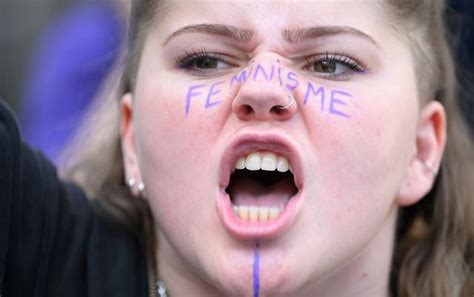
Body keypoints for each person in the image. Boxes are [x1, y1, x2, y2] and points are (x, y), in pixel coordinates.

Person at [1, 0, 473, 296]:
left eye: (330, 64)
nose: (263, 88)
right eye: (205, 59)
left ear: (421, 149)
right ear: (131, 138)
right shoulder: (38, 254)